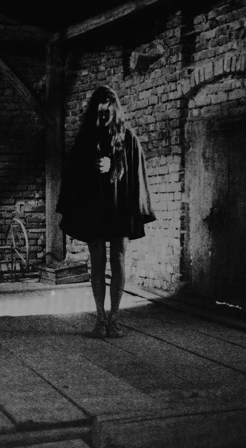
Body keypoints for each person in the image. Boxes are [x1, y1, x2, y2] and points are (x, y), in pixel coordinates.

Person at [56, 85, 156, 338]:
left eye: (106, 112)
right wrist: (91, 166)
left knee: (118, 261)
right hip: (94, 209)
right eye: (99, 113)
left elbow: (136, 176)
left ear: (114, 111)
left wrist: (115, 164)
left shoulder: (128, 139)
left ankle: (114, 319)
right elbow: (73, 174)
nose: (102, 117)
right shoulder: (85, 140)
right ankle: (100, 318)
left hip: (119, 209)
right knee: (97, 262)